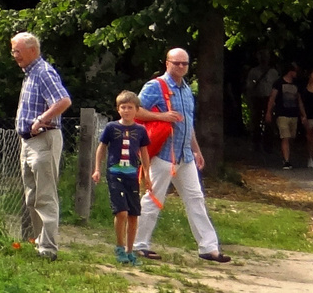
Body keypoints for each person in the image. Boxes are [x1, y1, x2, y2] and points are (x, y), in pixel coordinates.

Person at [133, 47, 231, 264]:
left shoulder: (186, 90)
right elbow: (134, 111)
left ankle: (209, 248)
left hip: (184, 156)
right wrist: (162, 116)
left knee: (196, 199)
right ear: (167, 63)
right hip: (162, 154)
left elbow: (188, 123)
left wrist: (195, 149)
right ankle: (138, 244)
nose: (180, 67)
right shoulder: (156, 86)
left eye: (184, 64)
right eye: (176, 63)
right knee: (153, 199)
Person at [11, 31, 72, 261]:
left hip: (43, 139)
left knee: (45, 195)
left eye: (17, 50)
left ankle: (48, 249)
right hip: (28, 141)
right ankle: (40, 243)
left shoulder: (43, 72)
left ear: (32, 51)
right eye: (13, 50)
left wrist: (40, 120)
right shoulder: (30, 73)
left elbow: (63, 101)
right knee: (31, 195)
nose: (14, 55)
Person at [92, 92, 152, 265]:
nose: (126, 110)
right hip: (114, 174)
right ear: (118, 109)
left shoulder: (140, 130)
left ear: (137, 110)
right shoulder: (111, 128)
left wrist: (147, 175)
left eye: (130, 107)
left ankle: (130, 250)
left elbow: (145, 153)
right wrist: (97, 169)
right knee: (122, 212)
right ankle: (119, 246)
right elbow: (101, 148)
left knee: (133, 214)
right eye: (123, 107)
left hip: (132, 176)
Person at [266, 65, 306, 170]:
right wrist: (268, 112)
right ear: (290, 71)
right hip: (282, 114)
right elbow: (272, 98)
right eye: (295, 71)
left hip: (293, 114)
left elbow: (299, 100)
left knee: (291, 137)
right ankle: (286, 160)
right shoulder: (279, 83)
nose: (297, 73)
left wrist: (303, 114)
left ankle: (287, 156)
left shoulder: (296, 84)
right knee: (285, 136)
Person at [244, 51, 280, 152]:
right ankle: (256, 143)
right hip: (257, 98)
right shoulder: (253, 72)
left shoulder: (273, 72)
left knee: (269, 122)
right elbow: (249, 87)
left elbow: (277, 87)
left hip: (269, 98)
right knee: (256, 121)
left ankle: (268, 145)